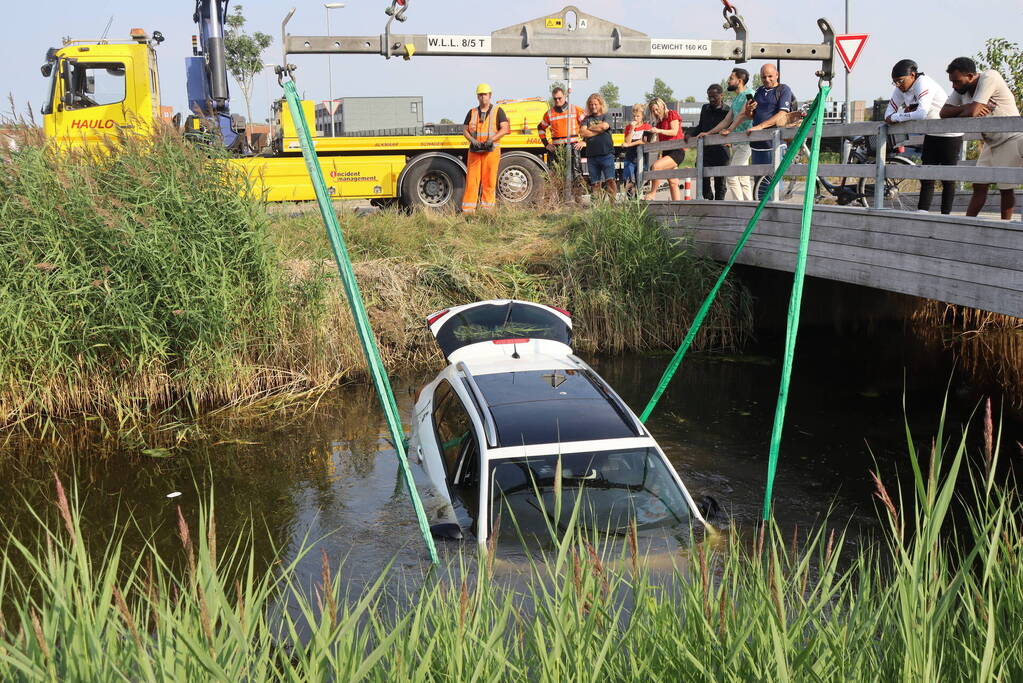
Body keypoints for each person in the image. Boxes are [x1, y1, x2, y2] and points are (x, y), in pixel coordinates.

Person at [940, 57, 1023, 220]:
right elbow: (943, 113)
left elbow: (972, 112)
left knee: (1005, 188)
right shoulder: (961, 90)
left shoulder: (990, 77)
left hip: (1010, 137)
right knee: (979, 184)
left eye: (956, 81)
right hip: (991, 142)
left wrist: (967, 110)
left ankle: (1004, 227)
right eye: (952, 82)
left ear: (970, 76)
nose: (953, 86)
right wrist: (966, 107)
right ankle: (968, 222)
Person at [884, 59, 963, 214]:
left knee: (948, 178)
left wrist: (899, 116)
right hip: (931, 132)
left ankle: (946, 215)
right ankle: (922, 212)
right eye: (895, 83)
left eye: (901, 81)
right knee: (926, 175)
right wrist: (899, 115)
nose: (898, 85)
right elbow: (887, 114)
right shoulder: (900, 89)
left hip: (949, 133)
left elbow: (921, 113)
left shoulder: (923, 83)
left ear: (912, 75)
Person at [734, 64, 794, 199]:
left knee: (773, 181)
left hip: (774, 143)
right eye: (763, 77)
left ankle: (776, 212)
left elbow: (782, 114)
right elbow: (752, 115)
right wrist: (750, 110)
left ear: (777, 75)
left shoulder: (783, 90)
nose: (767, 79)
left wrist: (761, 126)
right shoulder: (760, 91)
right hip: (757, 144)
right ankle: (761, 215)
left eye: (770, 76)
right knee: (759, 183)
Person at [702, 68, 753, 201]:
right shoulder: (736, 99)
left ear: (740, 81)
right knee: (743, 178)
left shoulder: (749, 94)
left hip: (746, 141)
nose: (728, 81)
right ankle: (750, 206)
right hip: (737, 142)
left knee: (731, 175)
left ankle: (740, 206)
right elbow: (726, 120)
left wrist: (729, 130)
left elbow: (743, 114)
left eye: (731, 78)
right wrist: (709, 132)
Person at [461, 83, 509, 214]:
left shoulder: (498, 111)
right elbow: (464, 130)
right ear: (477, 96)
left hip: (491, 151)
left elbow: (505, 128)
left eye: (485, 95)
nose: (483, 97)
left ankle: (487, 211)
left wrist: (491, 140)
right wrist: (472, 140)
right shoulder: (472, 112)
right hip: (475, 151)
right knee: (472, 182)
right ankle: (468, 211)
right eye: (480, 95)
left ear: (490, 95)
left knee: (489, 182)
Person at [538, 86, 586, 191]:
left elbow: (587, 124)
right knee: (558, 174)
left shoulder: (575, 109)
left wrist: (584, 141)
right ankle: (561, 200)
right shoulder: (549, 113)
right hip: (557, 148)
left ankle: (577, 200)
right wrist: (546, 144)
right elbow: (540, 128)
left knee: (576, 173)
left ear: (564, 96)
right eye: (555, 99)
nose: (557, 100)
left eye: (559, 98)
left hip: (574, 146)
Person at [687, 84, 730, 200]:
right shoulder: (705, 108)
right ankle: (708, 204)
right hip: (706, 151)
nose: (711, 99)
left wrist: (731, 141)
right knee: (703, 180)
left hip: (721, 150)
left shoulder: (727, 111)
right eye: (709, 96)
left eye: (714, 96)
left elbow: (732, 128)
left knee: (720, 183)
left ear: (722, 95)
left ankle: (719, 206)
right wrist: (690, 134)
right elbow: (701, 126)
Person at [643, 98, 685, 201]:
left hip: (677, 150)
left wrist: (659, 130)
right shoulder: (659, 122)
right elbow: (658, 141)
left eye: (657, 109)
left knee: (656, 167)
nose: (656, 112)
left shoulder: (672, 114)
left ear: (662, 106)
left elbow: (674, 132)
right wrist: (648, 140)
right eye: (653, 111)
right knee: (673, 182)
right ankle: (677, 208)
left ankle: (652, 193)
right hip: (666, 151)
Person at [579, 93, 617, 201]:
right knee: (595, 183)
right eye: (591, 104)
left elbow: (605, 126)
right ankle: (597, 207)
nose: (593, 106)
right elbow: (582, 132)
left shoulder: (606, 115)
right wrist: (599, 130)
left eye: (595, 104)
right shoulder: (587, 118)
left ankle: (612, 205)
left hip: (606, 154)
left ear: (600, 104)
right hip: (592, 156)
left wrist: (590, 128)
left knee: (610, 180)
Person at [621, 103, 652, 195]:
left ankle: (639, 199)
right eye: (634, 116)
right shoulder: (629, 127)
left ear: (642, 116)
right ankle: (631, 201)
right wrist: (632, 129)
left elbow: (644, 141)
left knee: (640, 180)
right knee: (628, 180)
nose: (635, 118)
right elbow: (627, 141)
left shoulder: (647, 127)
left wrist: (630, 144)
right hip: (630, 157)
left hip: (642, 158)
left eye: (638, 116)